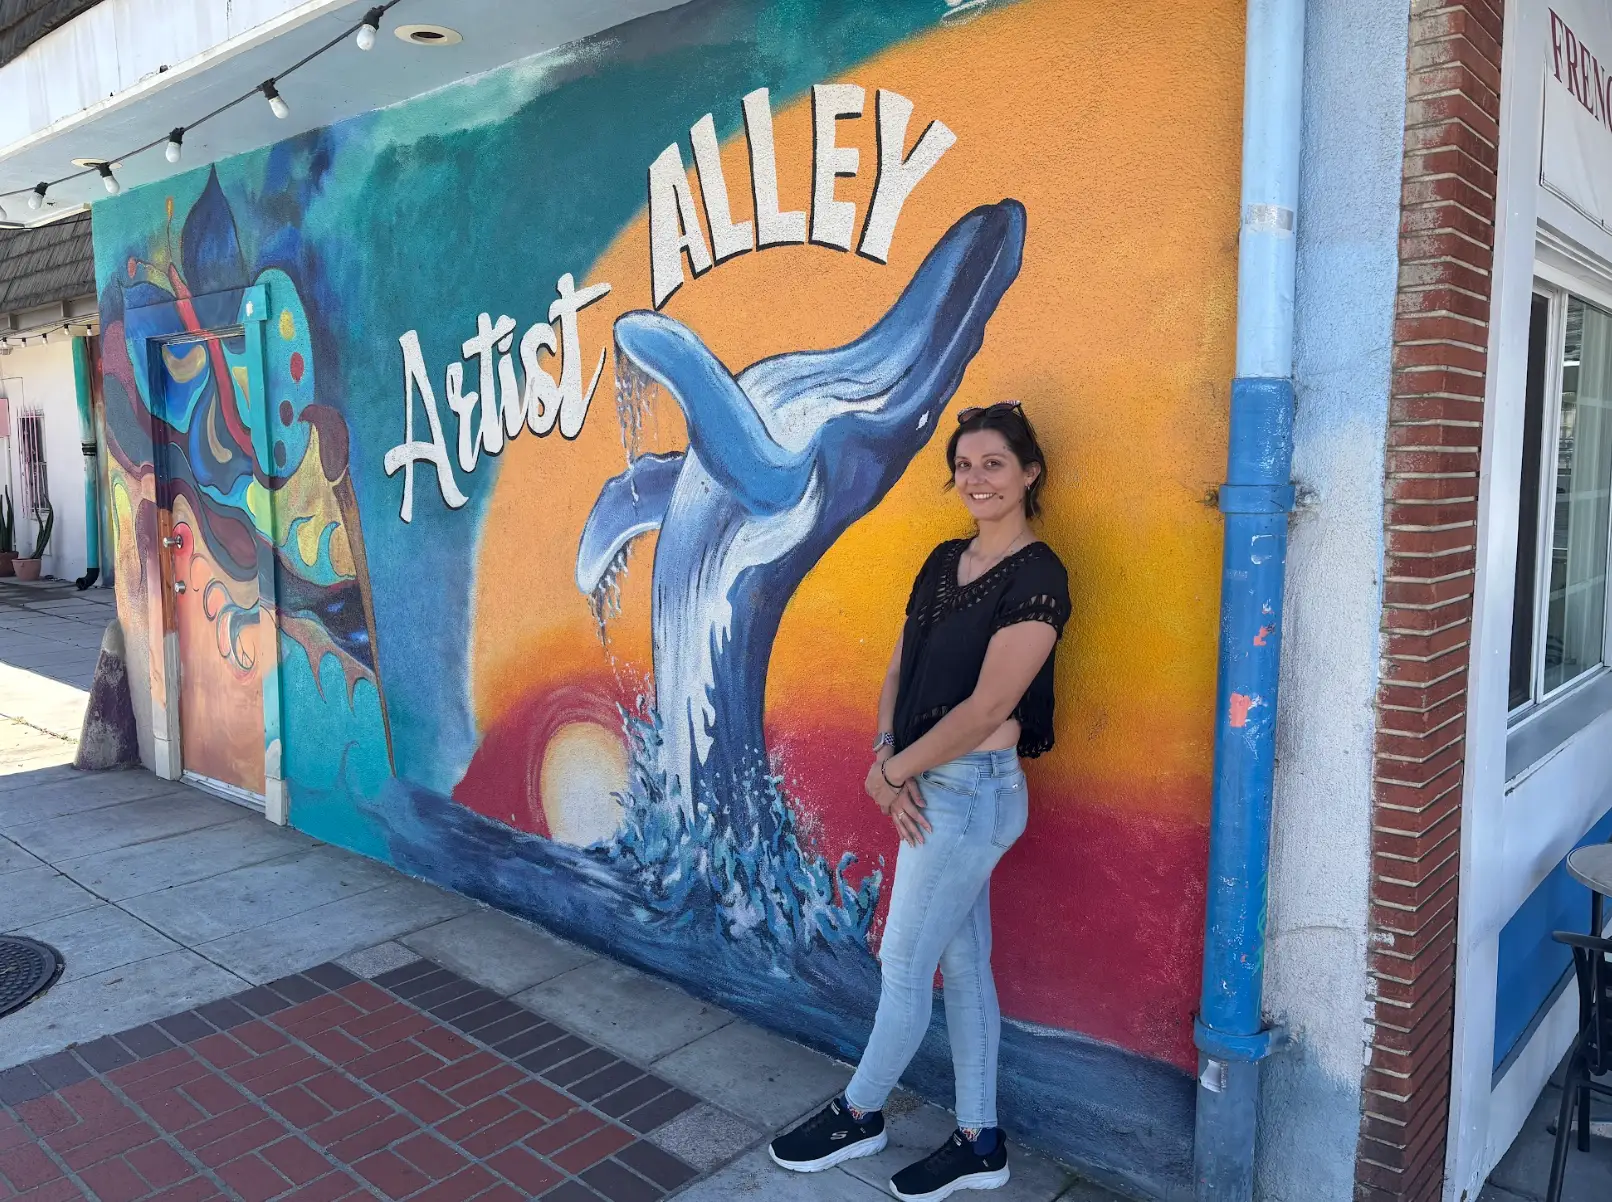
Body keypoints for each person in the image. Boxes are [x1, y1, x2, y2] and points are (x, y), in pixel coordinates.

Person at [769, 401, 1070, 1201]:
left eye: (994, 464)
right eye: (964, 466)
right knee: (963, 967)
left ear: (1029, 473)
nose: (976, 479)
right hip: (927, 783)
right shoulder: (942, 560)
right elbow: (902, 667)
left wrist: (897, 773)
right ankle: (980, 1141)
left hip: (970, 794)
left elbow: (986, 710)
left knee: (903, 963)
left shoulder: (1041, 577)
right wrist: (882, 752)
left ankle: (860, 1112)